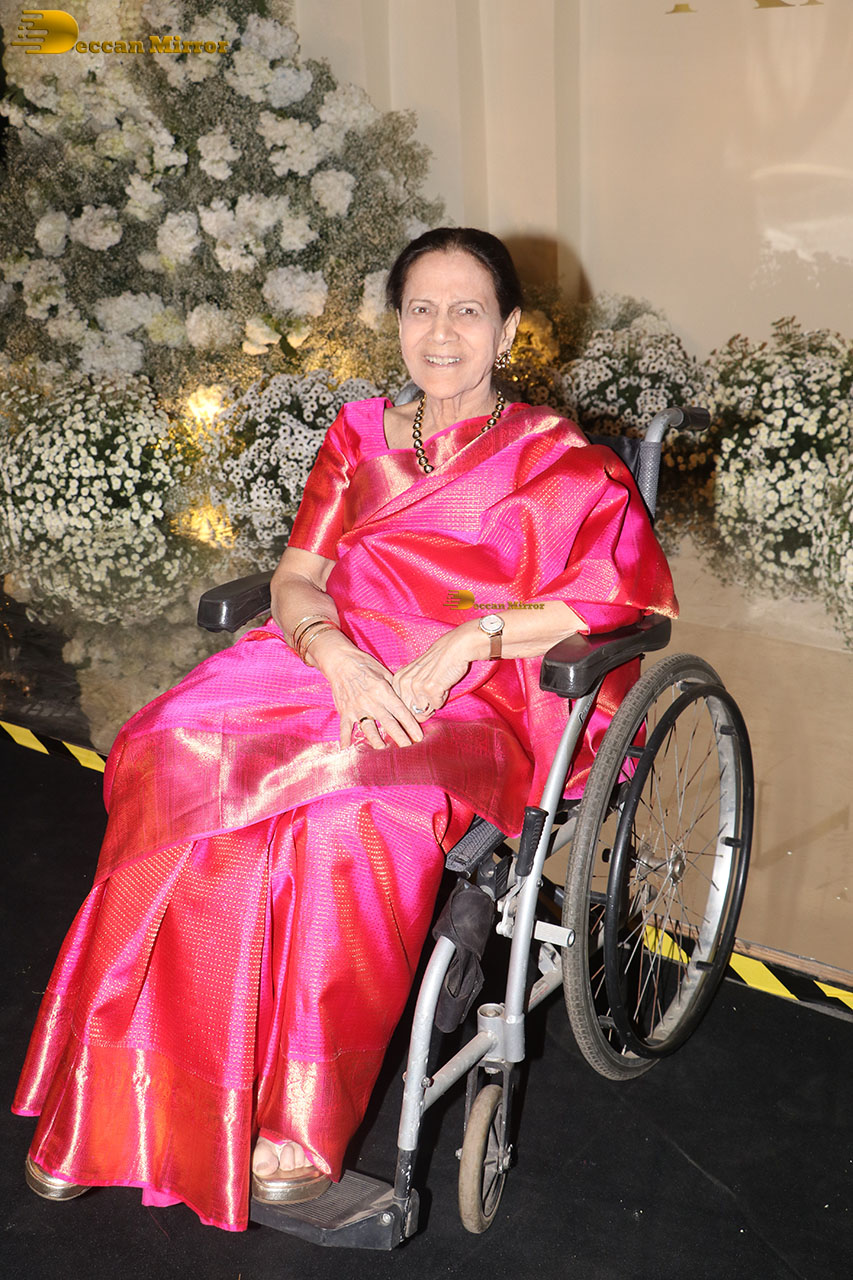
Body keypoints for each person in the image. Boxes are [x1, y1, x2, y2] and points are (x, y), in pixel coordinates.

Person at [13, 228, 677, 1231]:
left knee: (344, 821)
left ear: (506, 329)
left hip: (464, 692)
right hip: (326, 661)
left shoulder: (559, 461)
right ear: (397, 322)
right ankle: (109, 1098)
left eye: (466, 310)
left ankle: (295, 1115)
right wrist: (332, 652)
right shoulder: (359, 433)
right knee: (175, 763)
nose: (441, 331)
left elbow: (618, 600)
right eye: (421, 309)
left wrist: (470, 638)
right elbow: (297, 577)